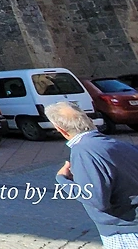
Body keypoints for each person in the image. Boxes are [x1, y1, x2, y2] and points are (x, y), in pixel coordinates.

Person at [47, 101, 138, 248]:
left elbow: (96, 200)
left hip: (123, 231)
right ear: (89, 120)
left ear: (60, 129)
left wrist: (63, 179)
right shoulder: (117, 144)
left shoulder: (83, 151)